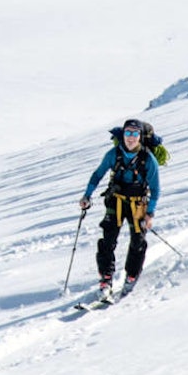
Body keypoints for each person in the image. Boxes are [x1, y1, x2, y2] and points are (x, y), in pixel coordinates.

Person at [79, 118, 161, 299]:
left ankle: (131, 275)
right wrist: (87, 195)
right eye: (127, 133)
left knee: (137, 241)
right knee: (107, 240)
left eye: (134, 133)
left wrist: (150, 213)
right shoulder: (113, 154)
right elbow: (97, 174)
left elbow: (155, 189)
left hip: (138, 204)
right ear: (122, 134)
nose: (130, 138)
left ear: (140, 136)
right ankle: (106, 278)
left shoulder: (149, 159)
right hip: (115, 201)